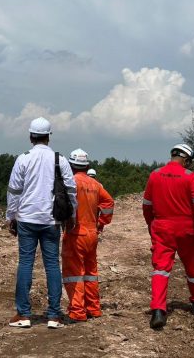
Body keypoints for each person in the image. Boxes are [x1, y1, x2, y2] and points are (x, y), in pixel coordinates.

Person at [6, 117, 77, 329]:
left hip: (27, 219)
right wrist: (72, 214)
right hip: (51, 219)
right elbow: (71, 189)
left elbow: (14, 191)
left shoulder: (23, 159)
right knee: (52, 265)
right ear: (48, 136)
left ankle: (23, 314)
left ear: (30, 136)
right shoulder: (59, 159)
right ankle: (54, 316)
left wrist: (11, 216)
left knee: (26, 264)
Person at [142, 143, 194, 330]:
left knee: (161, 269)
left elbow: (147, 205)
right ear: (186, 160)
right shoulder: (190, 176)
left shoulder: (155, 174)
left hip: (162, 226)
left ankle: (158, 310)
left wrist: (151, 224)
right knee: (193, 266)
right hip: (185, 227)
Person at [61, 149, 114, 322]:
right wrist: (101, 222)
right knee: (91, 272)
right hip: (92, 233)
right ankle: (93, 308)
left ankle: (77, 311)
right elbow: (108, 202)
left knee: (74, 273)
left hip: (76, 233)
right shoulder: (95, 184)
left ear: (70, 165)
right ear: (87, 166)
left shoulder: (71, 182)